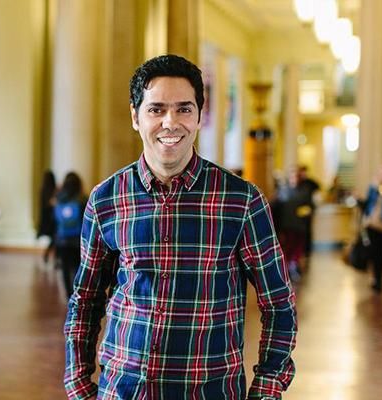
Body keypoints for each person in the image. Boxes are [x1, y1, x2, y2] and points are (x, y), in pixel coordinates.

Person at [64, 55, 297, 399]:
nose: (170, 122)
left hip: (208, 391)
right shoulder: (106, 199)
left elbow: (279, 303)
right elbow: (85, 300)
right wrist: (79, 384)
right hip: (123, 390)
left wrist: (266, 388)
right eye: (156, 109)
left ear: (200, 117)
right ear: (135, 116)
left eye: (184, 109)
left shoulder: (241, 201)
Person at [272, 167, 313, 281]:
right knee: (287, 248)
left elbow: (309, 207)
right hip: (286, 225)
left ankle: (293, 267)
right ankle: (288, 269)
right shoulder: (283, 191)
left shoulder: (304, 191)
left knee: (297, 248)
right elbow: (275, 208)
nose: (294, 179)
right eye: (292, 176)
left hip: (300, 225)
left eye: (297, 176)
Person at [359, 162, 382, 293]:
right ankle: (374, 276)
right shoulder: (373, 187)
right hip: (372, 224)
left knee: (381, 253)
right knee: (372, 252)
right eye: (381, 172)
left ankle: (379, 279)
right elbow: (368, 204)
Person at [54, 172, 87, 300]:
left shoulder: (59, 198)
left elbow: (55, 219)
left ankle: (68, 294)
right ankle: (77, 293)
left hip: (62, 239)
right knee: (77, 267)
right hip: (77, 239)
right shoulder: (82, 199)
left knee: (65, 268)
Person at [297, 165, 320, 256]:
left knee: (308, 230)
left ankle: (307, 250)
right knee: (301, 231)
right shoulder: (299, 183)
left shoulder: (311, 182)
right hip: (299, 211)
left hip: (309, 210)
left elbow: (318, 191)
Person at [37, 170, 58, 263]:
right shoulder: (52, 190)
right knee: (55, 237)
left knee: (54, 237)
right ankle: (50, 255)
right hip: (51, 218)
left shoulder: (42, 189)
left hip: (45, 216)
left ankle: (50, 255)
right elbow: (51, 203)